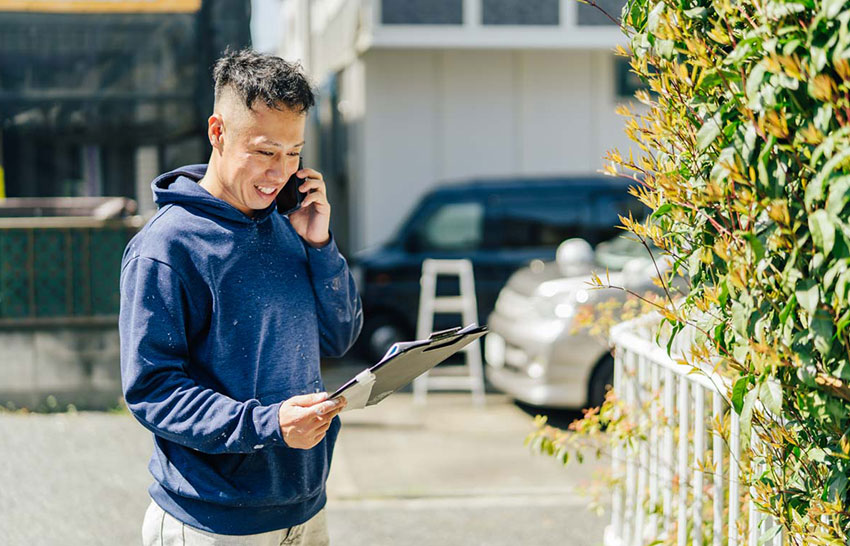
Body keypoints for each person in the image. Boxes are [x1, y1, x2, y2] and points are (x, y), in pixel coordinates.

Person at [119, 49, 362, 545]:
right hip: (213, 523)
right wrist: (269, 423)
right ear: (217, 133)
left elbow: (339, 339)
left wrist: (320, 247)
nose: (281, 173)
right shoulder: (166, 248)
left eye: (294, 153)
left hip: (306, 507)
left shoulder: (289, 224)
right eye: (265, 152)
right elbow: (152, 390)